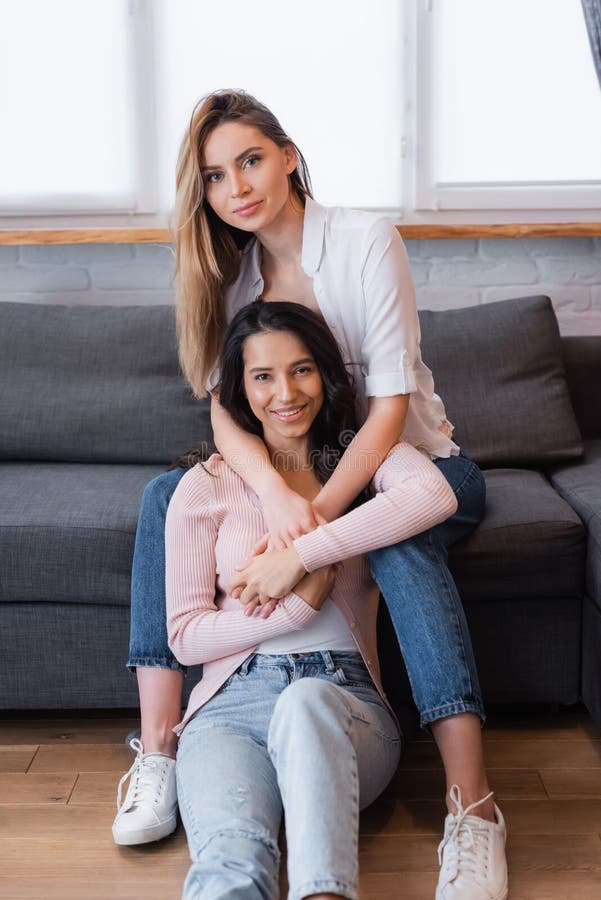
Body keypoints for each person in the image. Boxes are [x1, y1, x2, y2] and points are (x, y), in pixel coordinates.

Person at [113, 89, 508, 900]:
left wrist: (308, 532)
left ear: (288, 154)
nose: (238, 188)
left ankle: (473, 808)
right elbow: (227, 410)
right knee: (166, 492)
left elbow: (389, 410)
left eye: (250, 160)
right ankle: (160, 747)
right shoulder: (237, 277)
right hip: (304, 469)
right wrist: (269, 489)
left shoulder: (362, 240)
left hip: (412, 460)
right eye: (216, 177)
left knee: (393, 538)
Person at [167, 299, 474, 900]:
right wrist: (296, 610)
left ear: (326, 374)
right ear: (239, 389)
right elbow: (183, 635)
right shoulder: (204, 485)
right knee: (231, 859)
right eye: (263, 376)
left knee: (307, 701)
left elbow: (434, 496)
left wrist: (302, 556)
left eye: (302, 369)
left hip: (343, 701)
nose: (286, 392)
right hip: (231, 710)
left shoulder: (361, 464)